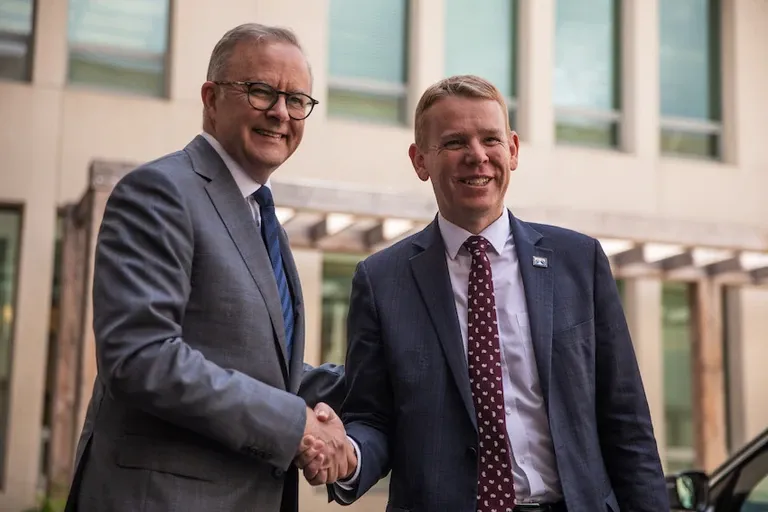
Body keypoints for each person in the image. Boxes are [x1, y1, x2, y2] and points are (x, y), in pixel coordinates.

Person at [311, 75, 669, 511]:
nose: (477, 156)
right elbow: (374, 416)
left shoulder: (579, 261)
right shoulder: (381, 280)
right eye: (455, 142)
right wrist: (350, 455)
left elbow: (627, 422)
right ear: (420, 160)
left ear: (513, 150)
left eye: (490, 139)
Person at [64, 23, 354, 512]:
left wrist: (382, 379)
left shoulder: (260, 214)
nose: (281, 113)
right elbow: (142, 357)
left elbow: (260, 368)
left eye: (296, 99)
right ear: (211, 97)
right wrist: (294, 422)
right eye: (261, 91)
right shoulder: (160, 192)